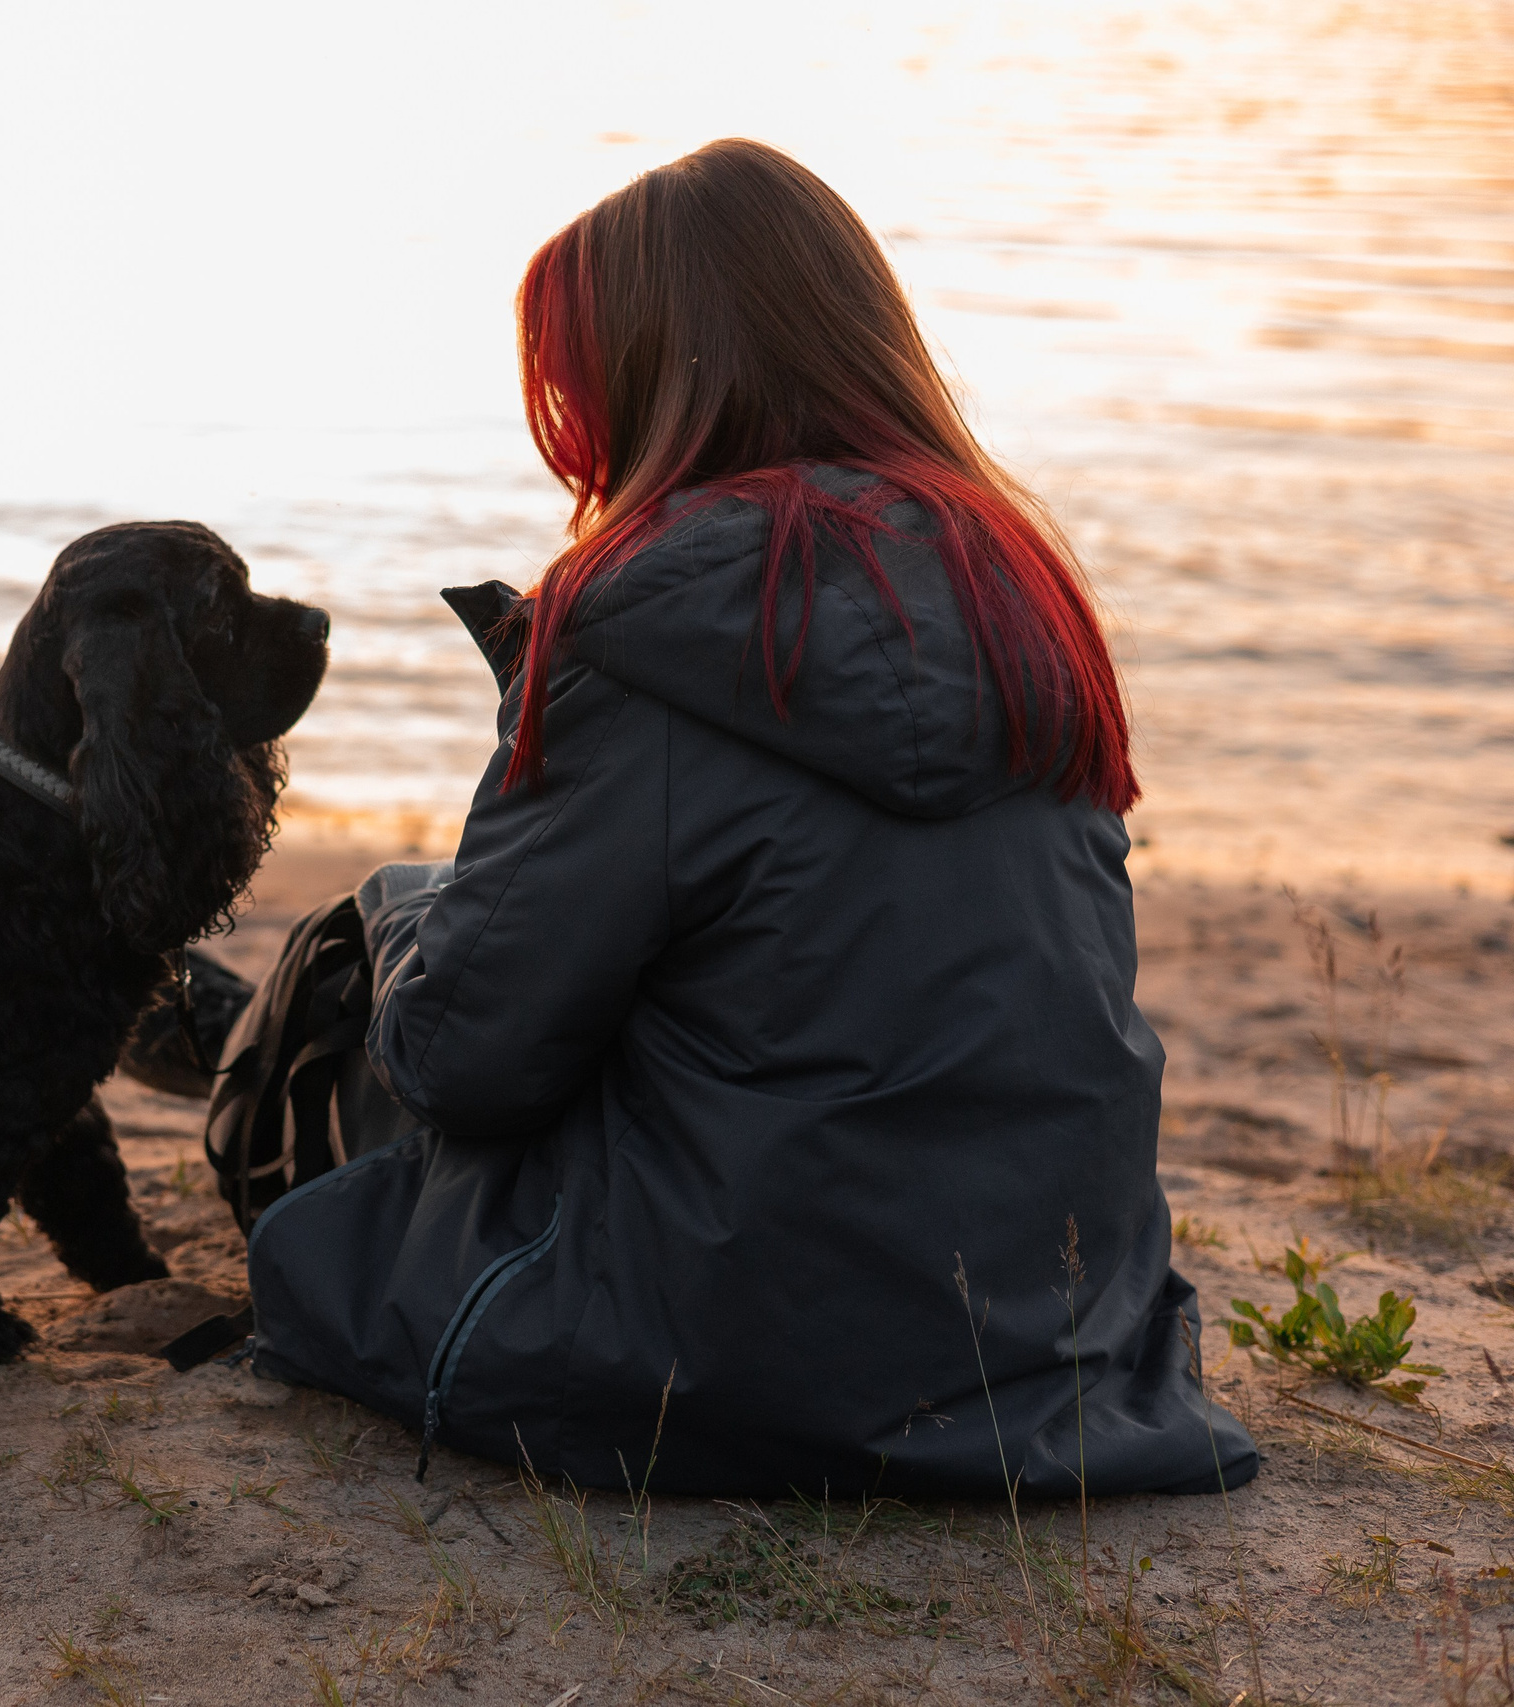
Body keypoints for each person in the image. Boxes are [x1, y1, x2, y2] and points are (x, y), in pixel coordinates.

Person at [240, 139, 1259, 1498]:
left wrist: (415, 911)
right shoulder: (1021, 601)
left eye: (577, 388)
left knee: (379, 944)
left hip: (740, 1355)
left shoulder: (640, 631)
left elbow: (465, 1065)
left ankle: (237, 1030)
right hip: (1055, 1335)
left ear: (649, 382)